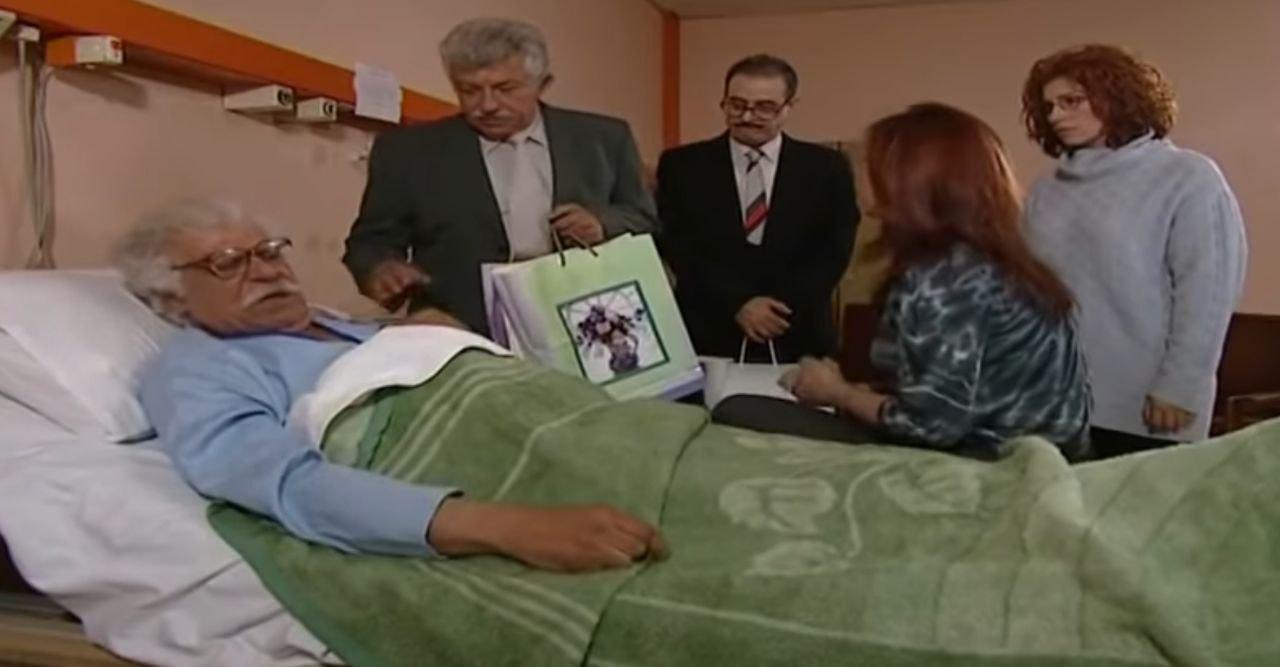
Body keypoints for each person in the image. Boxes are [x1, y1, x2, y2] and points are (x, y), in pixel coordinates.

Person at [119, 199, 665, 572]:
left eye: (269, 251)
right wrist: (507, 527)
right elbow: (287, 484)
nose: (267, 270)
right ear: (172, 297)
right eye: (228, 263)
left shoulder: (337, 323)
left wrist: (430, 335)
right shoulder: (198, 369)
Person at [713, 103, 1091, 462]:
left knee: (738, 411)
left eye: (868, 165)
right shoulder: (990, 261)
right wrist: (857, 393)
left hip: (985, 462)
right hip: (1028, 449)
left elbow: (932, 427)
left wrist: (837, 393)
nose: (858, 174)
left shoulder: (947, 278)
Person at [343, 18, 658, 334]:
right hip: (459, 329)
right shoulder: (407, 151)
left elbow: (644, 219)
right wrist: (379, 269)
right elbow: (370, 242)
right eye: (469, 91)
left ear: (542, 84)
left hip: (585, 324)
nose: (488, 105)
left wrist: (601, 224)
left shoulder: (604, 139)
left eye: (506, 89)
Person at [1020, 44, 1247, 457]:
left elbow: (1208, 292)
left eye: (1071, 101)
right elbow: (1028, 291)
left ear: (1117, 98)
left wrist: (1181, 385)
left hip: (1150, 401)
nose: (1055, 116)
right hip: (1052, 401)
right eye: (1049, 106)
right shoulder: (1046, 190)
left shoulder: (1187, 177)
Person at [656, 54, 858, 363]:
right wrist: (739, 304)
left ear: (789, 107)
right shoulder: (682, 165)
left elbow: (835, 248)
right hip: (707, 330)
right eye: (737, 105)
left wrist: (774, 311)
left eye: (764, 107)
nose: (748, 116)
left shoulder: (827, 167)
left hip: (797, 331)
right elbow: (677, 244)